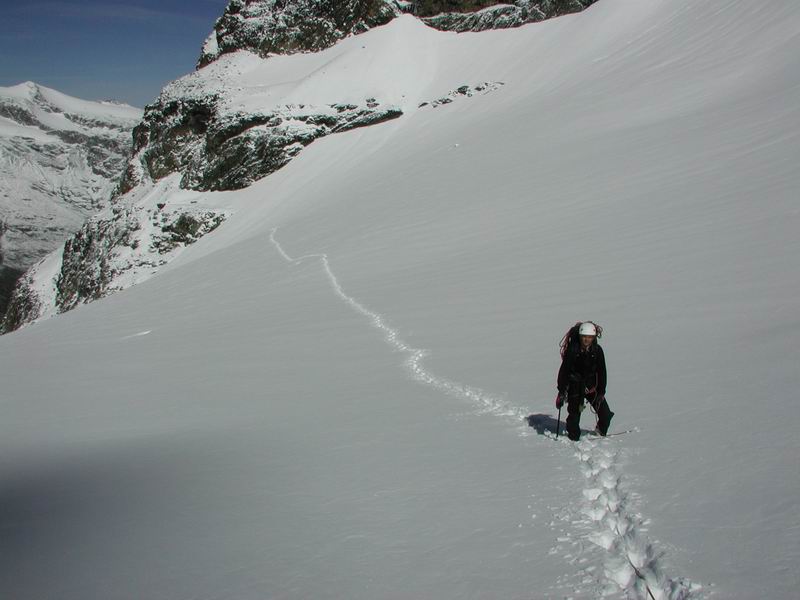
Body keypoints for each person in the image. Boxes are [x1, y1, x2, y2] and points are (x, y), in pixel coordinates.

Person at [556, 321, 614, 440]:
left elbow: (602, 371)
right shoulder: (572, 350)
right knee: (574, 417)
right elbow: (564, 371)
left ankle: (600, 432)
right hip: (575, 386)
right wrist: (562, 391)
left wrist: (601, 391)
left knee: (605, 414)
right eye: (584, 337)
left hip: (592, 387)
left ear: (593, 337)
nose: (587, 340)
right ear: (580, 337)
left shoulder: (597, 351)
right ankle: (573, 439)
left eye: (589, 337)